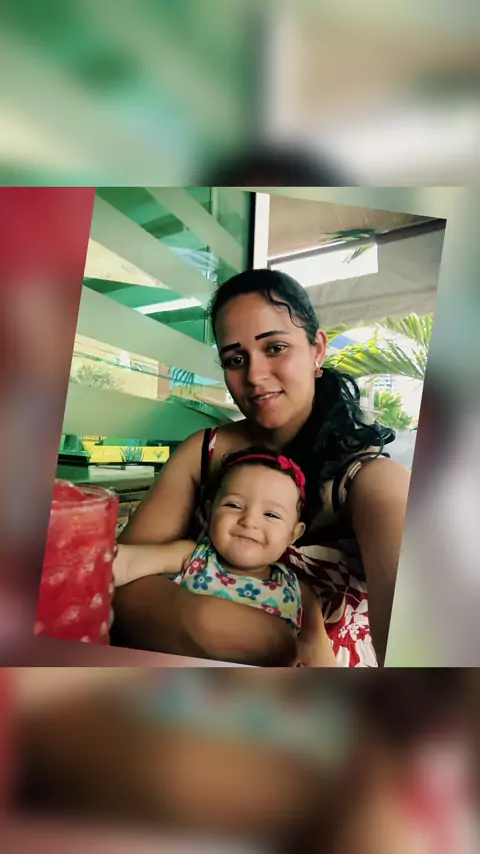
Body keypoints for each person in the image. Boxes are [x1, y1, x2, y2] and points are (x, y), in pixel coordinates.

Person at [114, 268, 411, 665]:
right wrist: (219, 625)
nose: (254, 376)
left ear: (317, 349)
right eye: (236, 359)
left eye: (275, 348)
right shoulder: (204, 452)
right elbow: (118, 584)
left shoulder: (370, 481)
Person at [114, 449, 336, 667]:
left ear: (293, 534)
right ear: (209, 513)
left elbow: (317, 652)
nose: (249, 521)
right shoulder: (192, 556)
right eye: (234, 505)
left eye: (271, 514)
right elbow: (126, 562)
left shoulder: (298, 590)